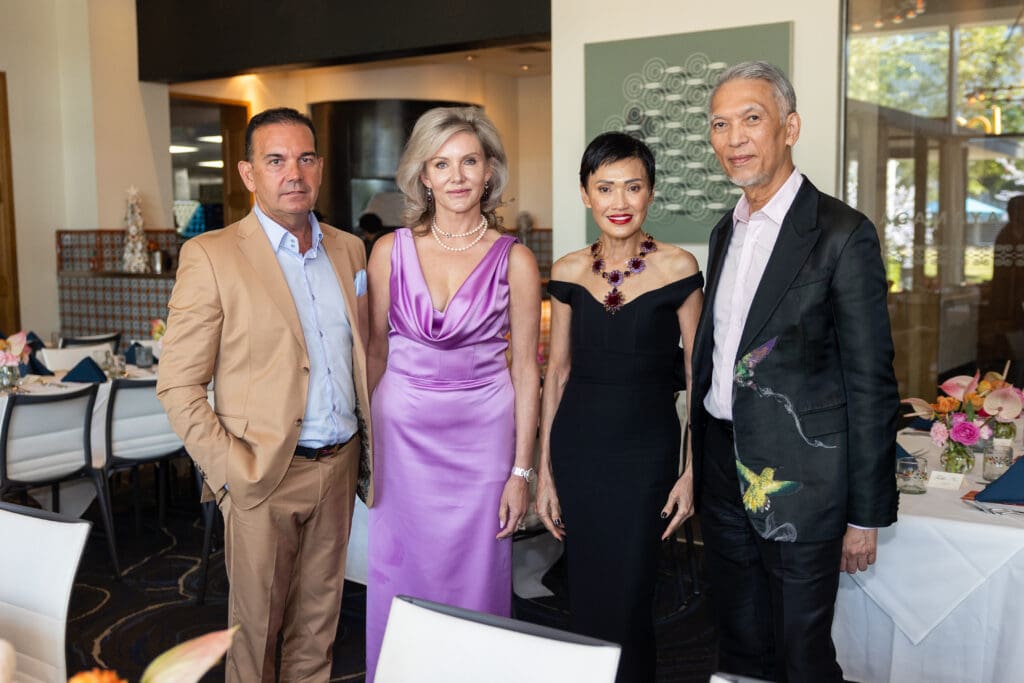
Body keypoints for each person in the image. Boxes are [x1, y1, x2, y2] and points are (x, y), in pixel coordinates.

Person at [689, 61, 899, 682]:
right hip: (723, 469)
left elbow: (871, 383)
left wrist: (865, 514)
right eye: (720, 124)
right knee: (738, 644)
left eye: (751, 119)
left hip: (802, 480)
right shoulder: (725, 230)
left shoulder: (841, 234)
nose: (734, 138)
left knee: (802, 656)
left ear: (790, 127)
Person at [157, 107, 372, 682]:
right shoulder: (213, 255)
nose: (293, 173)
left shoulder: (350, 251)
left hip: (339, 466)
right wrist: (233, 471)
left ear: (319, 168)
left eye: (305, 159)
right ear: (249, 173)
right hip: (263, 475)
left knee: (319, 627)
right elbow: (177, 383)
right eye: (275, 161)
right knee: (255, 635)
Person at [363, 106, 540, 681]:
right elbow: (374, 354)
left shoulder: (515, 259)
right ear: (423, 175)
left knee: (477, 575)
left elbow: (526, 372)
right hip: (400, 441)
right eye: (441, 164)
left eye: (469, 161)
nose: (457, 176)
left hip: (482, 443)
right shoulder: (388, 251)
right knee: (398, 571)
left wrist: (521, 472)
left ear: (489, 172)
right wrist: (366, 451)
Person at [535, 132, 704, 683]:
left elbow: (696, 376)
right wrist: (544, 473)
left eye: (633, 187)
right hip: (578, 452)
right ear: (586, 194)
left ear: (651, 192)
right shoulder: (567, 271)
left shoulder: (679, 268)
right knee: (585, 596)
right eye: (605, 187)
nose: (619, 201)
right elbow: (557, 373)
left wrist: (692, 470)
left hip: (645, 457)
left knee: (632, 598)